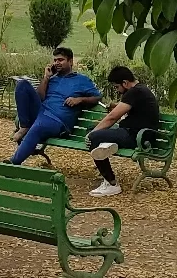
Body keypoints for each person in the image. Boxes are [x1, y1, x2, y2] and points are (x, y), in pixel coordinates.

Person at [10, 47, 100, 165]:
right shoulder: (52, 78)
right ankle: (25, 126)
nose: (57, 63)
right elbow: (40, 97)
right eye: (55, 60)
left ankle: (12, 163)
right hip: (41, 112)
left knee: (38, 126)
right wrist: (46, 78)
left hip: (58, 120)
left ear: (71, 62)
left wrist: (79, 99)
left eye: (61, 60)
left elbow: (97, 97)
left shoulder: (82, 80)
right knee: (22, 85)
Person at [86, 66, 160, 197]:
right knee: (94, 132)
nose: (118, 90)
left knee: (94, 137)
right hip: (136, 133)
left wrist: (92, 135)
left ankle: (111, 183)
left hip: (136, 136)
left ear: (125, 83)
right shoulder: (140, 90)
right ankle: (106, 147)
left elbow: (112, 117)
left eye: (117, 87)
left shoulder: (134, 92)